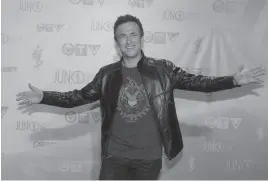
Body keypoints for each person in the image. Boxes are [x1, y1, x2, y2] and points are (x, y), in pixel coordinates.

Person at [16, 14, 265, 180]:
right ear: (117, 42)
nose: (128, 40)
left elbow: (200, 84)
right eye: (122, 36)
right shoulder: (107, 75)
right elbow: (77, 97)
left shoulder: (163, 69)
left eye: (133, 34)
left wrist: (232, 80)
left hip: (148, 159)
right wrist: (44, 97)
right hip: (114, 157)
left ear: (141, 37)